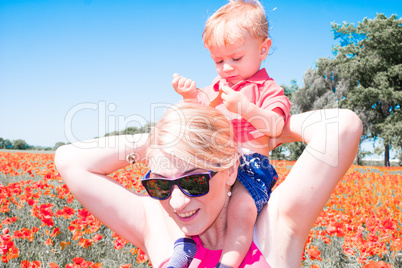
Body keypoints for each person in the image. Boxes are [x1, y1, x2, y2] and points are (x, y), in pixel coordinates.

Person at [55, 103, 362, 267]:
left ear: (229, 171)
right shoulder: (156, 224)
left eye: (194, 181)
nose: (177, 203)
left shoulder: (275, 225)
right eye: (160, 186)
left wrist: (267, 130)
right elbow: (69, 160)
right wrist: (159, 140)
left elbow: (343, 127)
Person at [172, 1, 290, 266]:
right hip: (216, 165)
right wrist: (190, 97)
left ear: (263, 49)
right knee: (182, 196)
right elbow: (197, 123)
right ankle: (184, 247)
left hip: (250, 169)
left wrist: (245, 108)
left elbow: (275, 126)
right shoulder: (213, 89)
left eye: (236, 58)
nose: (226, 68)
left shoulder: (268, 90)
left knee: (239, 211)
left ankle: (227, 262)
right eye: (218, 60)